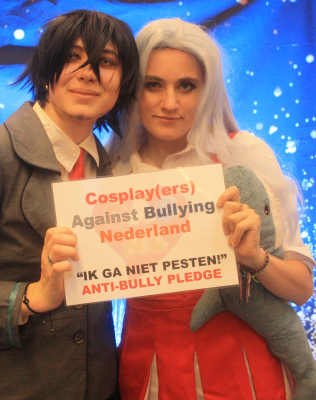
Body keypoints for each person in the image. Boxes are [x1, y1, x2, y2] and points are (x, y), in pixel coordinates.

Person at [0, 10, 139, 400]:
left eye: (106, 62)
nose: (89, 73)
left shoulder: (110, 168)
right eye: (72, 57)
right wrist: (31, 297)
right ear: (46, 68)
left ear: (124, 81)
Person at [106, 18, 315, 400]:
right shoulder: (111, 168)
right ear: (133, 88)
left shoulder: (243, 154)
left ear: (209, 91)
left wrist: (254, 258)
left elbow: (302, 289)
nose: (170, 103)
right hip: (147, 366)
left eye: (186, 86)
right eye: (153, 84)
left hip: (242, 364)